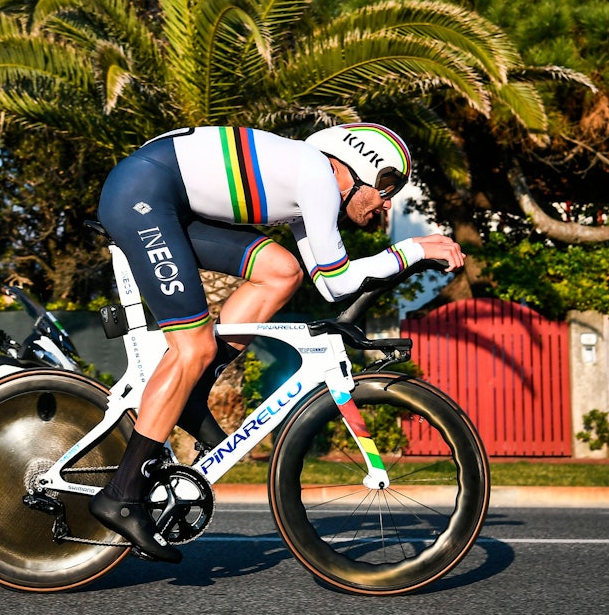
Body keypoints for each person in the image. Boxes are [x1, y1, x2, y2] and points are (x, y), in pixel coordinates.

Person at [89, 123, 465, 562]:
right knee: (193, 347)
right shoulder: (319, 177)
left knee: (281, 271)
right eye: (387, 186)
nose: (387, 202)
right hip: (143, 196)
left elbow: (329, 286)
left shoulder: (307, 186)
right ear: (361, 165)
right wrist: (414, 250)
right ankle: (122, 492)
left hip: (159, 195)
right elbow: (340, 280)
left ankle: (191, 397)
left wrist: (407, 261)